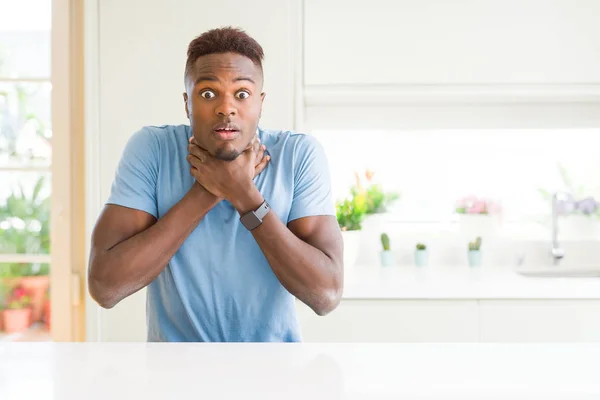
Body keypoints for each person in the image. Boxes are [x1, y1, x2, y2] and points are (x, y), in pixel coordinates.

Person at [88, 27, 343, 342]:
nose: (226, 107)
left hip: (274, 375)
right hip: (174, 378)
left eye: (242, 93)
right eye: (208, 93)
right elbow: (105, 287)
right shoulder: (152, 149)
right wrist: (207, 190)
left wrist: (245, 195)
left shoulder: (297, 154)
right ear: (187, 103)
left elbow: (326, 294)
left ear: (260, 103)